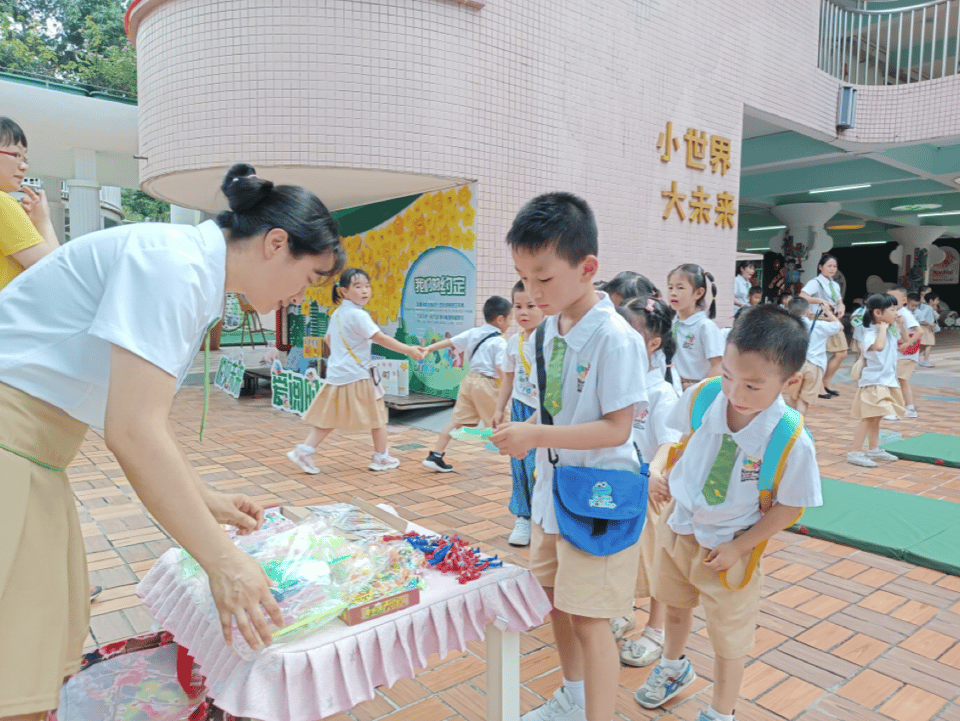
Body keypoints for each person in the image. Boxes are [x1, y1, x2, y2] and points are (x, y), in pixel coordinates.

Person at [0, 163, 345, 720]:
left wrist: (203, 499)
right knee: (16, 677)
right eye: (309, 278)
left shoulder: (185, 266)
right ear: (276, 244)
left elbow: (142, 424)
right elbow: (133, 431)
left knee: (32, 671)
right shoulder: (173, 265)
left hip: (34, 455)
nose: (299, 296)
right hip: (13, 451)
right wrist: (222, 560)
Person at [491, 192, 647, 721]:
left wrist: (534, 438)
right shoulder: (546, 334)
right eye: (523, 279)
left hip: (598, 500)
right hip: (552, 495)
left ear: (588, 269)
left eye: (544, 278)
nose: (532, 293)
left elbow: (617, 428)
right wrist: (525, 429)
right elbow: (551, 413)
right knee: (557, 601)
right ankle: (573, 697)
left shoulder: (616, 339)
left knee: (591, 619)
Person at [634, 305, 822, 721]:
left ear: (790, 382)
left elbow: (792, 505)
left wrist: (740, 547)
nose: (735, 393)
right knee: (674, 604)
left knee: (729, 637)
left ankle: (721, 712)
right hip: (679, 526)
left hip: (732, 549)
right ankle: (673, 666)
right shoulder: (703, 395)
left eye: (753, 386)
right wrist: (662, 468)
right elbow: (684, 440)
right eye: (729, 377)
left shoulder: (790, 438)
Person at [286, 268, 425, 475]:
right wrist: (409, 350)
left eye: (367, 286)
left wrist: (342, 357)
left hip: (337, 374)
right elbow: (381, 339)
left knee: (330, 418)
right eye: (358, 287)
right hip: (358, 375)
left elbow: (328, 340)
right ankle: (381, 457)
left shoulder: (338, 314)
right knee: (378, 418)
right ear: (344, 291)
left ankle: (304, 450)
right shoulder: (359, 316)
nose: (364, 291)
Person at [612, 294, 681, 668]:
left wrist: (653, 470)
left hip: (653, 490)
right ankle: (624, 611)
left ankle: (656, 629)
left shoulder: (661, 391)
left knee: (657, 564)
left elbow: (670, 440)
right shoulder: (625, 380)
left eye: (631, 332)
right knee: (624, 555)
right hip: (626, 486)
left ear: (654, 342)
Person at [421, 296, 512, 472]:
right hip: (487, 384)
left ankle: (436, 455)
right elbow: (501, 370)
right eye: (510, 318)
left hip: (469, 381)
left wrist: (428, 349)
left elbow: (450, 342)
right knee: (505, 423)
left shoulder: (474, 332)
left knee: (456, 421)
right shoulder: (499, 342)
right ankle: (519, 463)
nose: (509, 323)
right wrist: (510, 392)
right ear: (500, 319)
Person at [493, 280, 545, 546]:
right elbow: (509, 380)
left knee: (539, 467)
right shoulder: (513, 342)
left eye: (531, 306)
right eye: (518, 306)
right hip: (519, 408)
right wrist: (499, 409)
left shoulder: (551, 340)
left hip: (543, 413)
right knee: (520, 466)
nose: (524, 312)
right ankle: (523, 518)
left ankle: (541, 518)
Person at [0, 117, 60, 291]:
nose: (24, 166)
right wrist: (43, 221)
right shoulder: (3, 203)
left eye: (25, 158)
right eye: (16, 155)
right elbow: (56, 275)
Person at [847, 294, 905, 467]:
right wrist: (882, 329)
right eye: (892, 309)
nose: (896, 312)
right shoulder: (871, 334)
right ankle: (855, 452)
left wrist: (897, 325)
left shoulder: (888, 331)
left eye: (896, 309)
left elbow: (901, 340)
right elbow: (878, 347)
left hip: (885, 381)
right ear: (878, 313)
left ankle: (874, 449)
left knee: (876, 417)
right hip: (873, 382)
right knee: (868, 417)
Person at [668, 263, 722, 389]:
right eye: (670, 288)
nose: (673, 293)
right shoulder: (672, 323)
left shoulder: (705, 327)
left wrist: (700, 390)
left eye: (680, 288)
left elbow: (718, 366)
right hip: (673, 388)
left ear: (698, 293)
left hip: (695, 390)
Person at [783, 297, 841, 415]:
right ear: (808, 311)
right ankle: (799, 430)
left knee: (793, 398)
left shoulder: (786, 326)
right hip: (814, 365)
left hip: (794, 364)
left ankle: (790, 427)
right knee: (803, 401)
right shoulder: (820, 325)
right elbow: (839, 326)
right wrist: (828, 312)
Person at [799, 254, 846, 398]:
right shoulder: (815, 282)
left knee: (841, 352)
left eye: (835, 266)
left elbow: (839, 300)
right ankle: (819, 387)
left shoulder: (834, 284)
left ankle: (825, 382)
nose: (832, 269)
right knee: (820, 353)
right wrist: (819, 300)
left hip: (831, 318)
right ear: (821, 267)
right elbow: (802, 296)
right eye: (829, 266)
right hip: (818, 318)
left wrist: (841, 306)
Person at [886, 286, 922, 420]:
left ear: (904, 300)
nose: (891, 301)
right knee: (902, 381)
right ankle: (909, 408)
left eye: (894, 298)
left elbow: (919, 331)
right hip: (902, 354)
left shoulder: (904, 313)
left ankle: (894, 410)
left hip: (906, 355)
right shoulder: (896, 313)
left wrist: (906, 344)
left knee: (895, 381)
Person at [914, 291, 939, 368]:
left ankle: (915, 358)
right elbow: (922, 317)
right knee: (930, 344)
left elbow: (936, 316)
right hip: (926, 328)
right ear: (931, 300)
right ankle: (925, 360)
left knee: (923, 345)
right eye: (937, 300)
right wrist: (930, 323)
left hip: (927, 328)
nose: (938, 301)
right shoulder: (928, 308)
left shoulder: (929, 308)